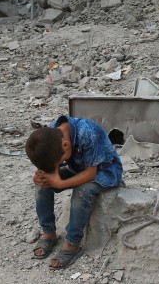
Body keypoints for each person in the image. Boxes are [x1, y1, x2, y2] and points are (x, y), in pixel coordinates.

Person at [25, 115, 123, 270]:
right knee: (42, 188)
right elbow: (47, 165)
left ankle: (72, 243)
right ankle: (49, 233)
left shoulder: (89, 132)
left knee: (82, 191)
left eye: (57, 163)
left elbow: (90, 174)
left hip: (104, 171)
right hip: (77, 168)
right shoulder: (50, 133)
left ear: (65, 144)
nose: (57, 166)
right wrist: (40, 177)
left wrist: (60, 182)